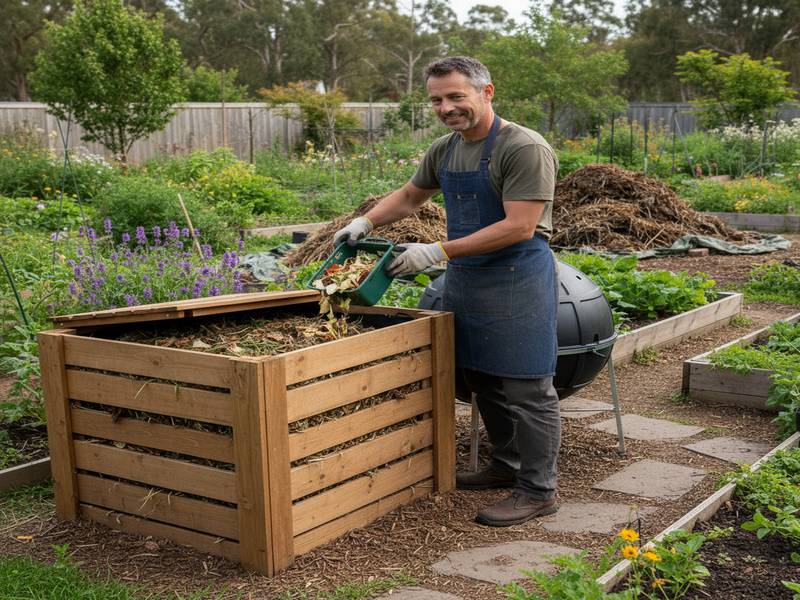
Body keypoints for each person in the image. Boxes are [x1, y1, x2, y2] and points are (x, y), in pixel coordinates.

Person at [333, 56, 560, 527]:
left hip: (516, 279)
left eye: (456, 96)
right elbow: (411, 196)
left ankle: (539, 491)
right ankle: (506, 465)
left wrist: (436, 251)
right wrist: (366, 221)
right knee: (484, 379)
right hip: (467, 279)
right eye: (437, 100)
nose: (446, 108)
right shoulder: (446, 149)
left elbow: (520, 226)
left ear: (486, 92)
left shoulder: (523, 147)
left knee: (527, 388)